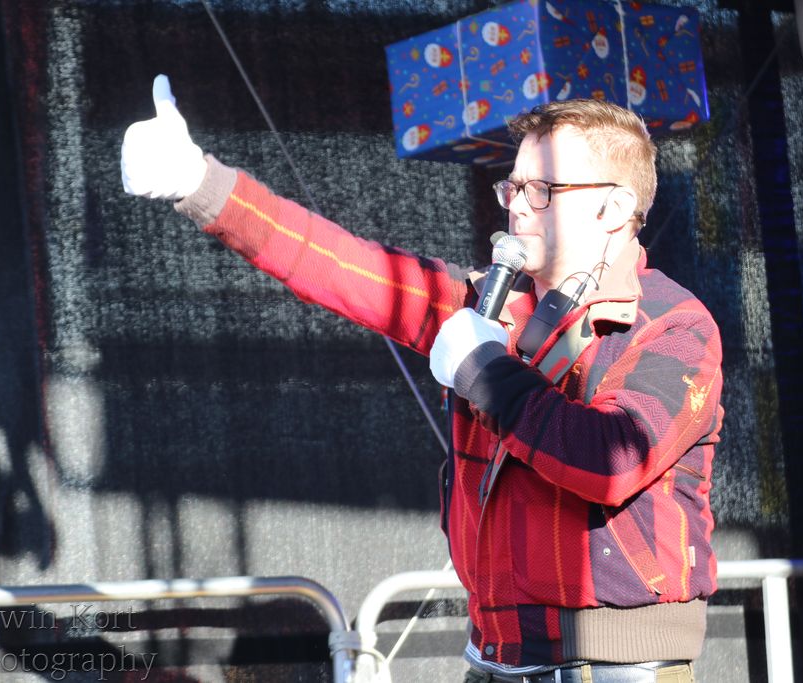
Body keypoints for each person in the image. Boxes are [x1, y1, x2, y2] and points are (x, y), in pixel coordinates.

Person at [122, 75, 723, 683]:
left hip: (618, 663)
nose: (516, 205)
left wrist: (488, 373)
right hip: (494, 655)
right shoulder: (485, 306)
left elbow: (612, 460)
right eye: (513, 186)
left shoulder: (673, 325)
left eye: (542, 190)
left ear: (613, 208)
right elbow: (344, 267)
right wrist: (201, 184)